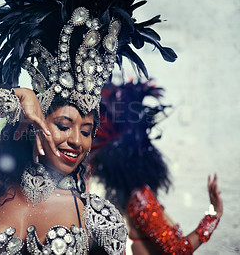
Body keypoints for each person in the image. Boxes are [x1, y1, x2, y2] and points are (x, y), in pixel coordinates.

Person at [0, 0, 176, 254]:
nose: (77, 141)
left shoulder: (98, 217)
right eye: (64, 126)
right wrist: (15, 99)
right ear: (34, 124)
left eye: (87, 132)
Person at [90, 80, 223, 254]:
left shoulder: (131, 197)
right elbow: (177, 249)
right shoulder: (140, 199)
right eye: (146, 145)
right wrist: (214, 215)